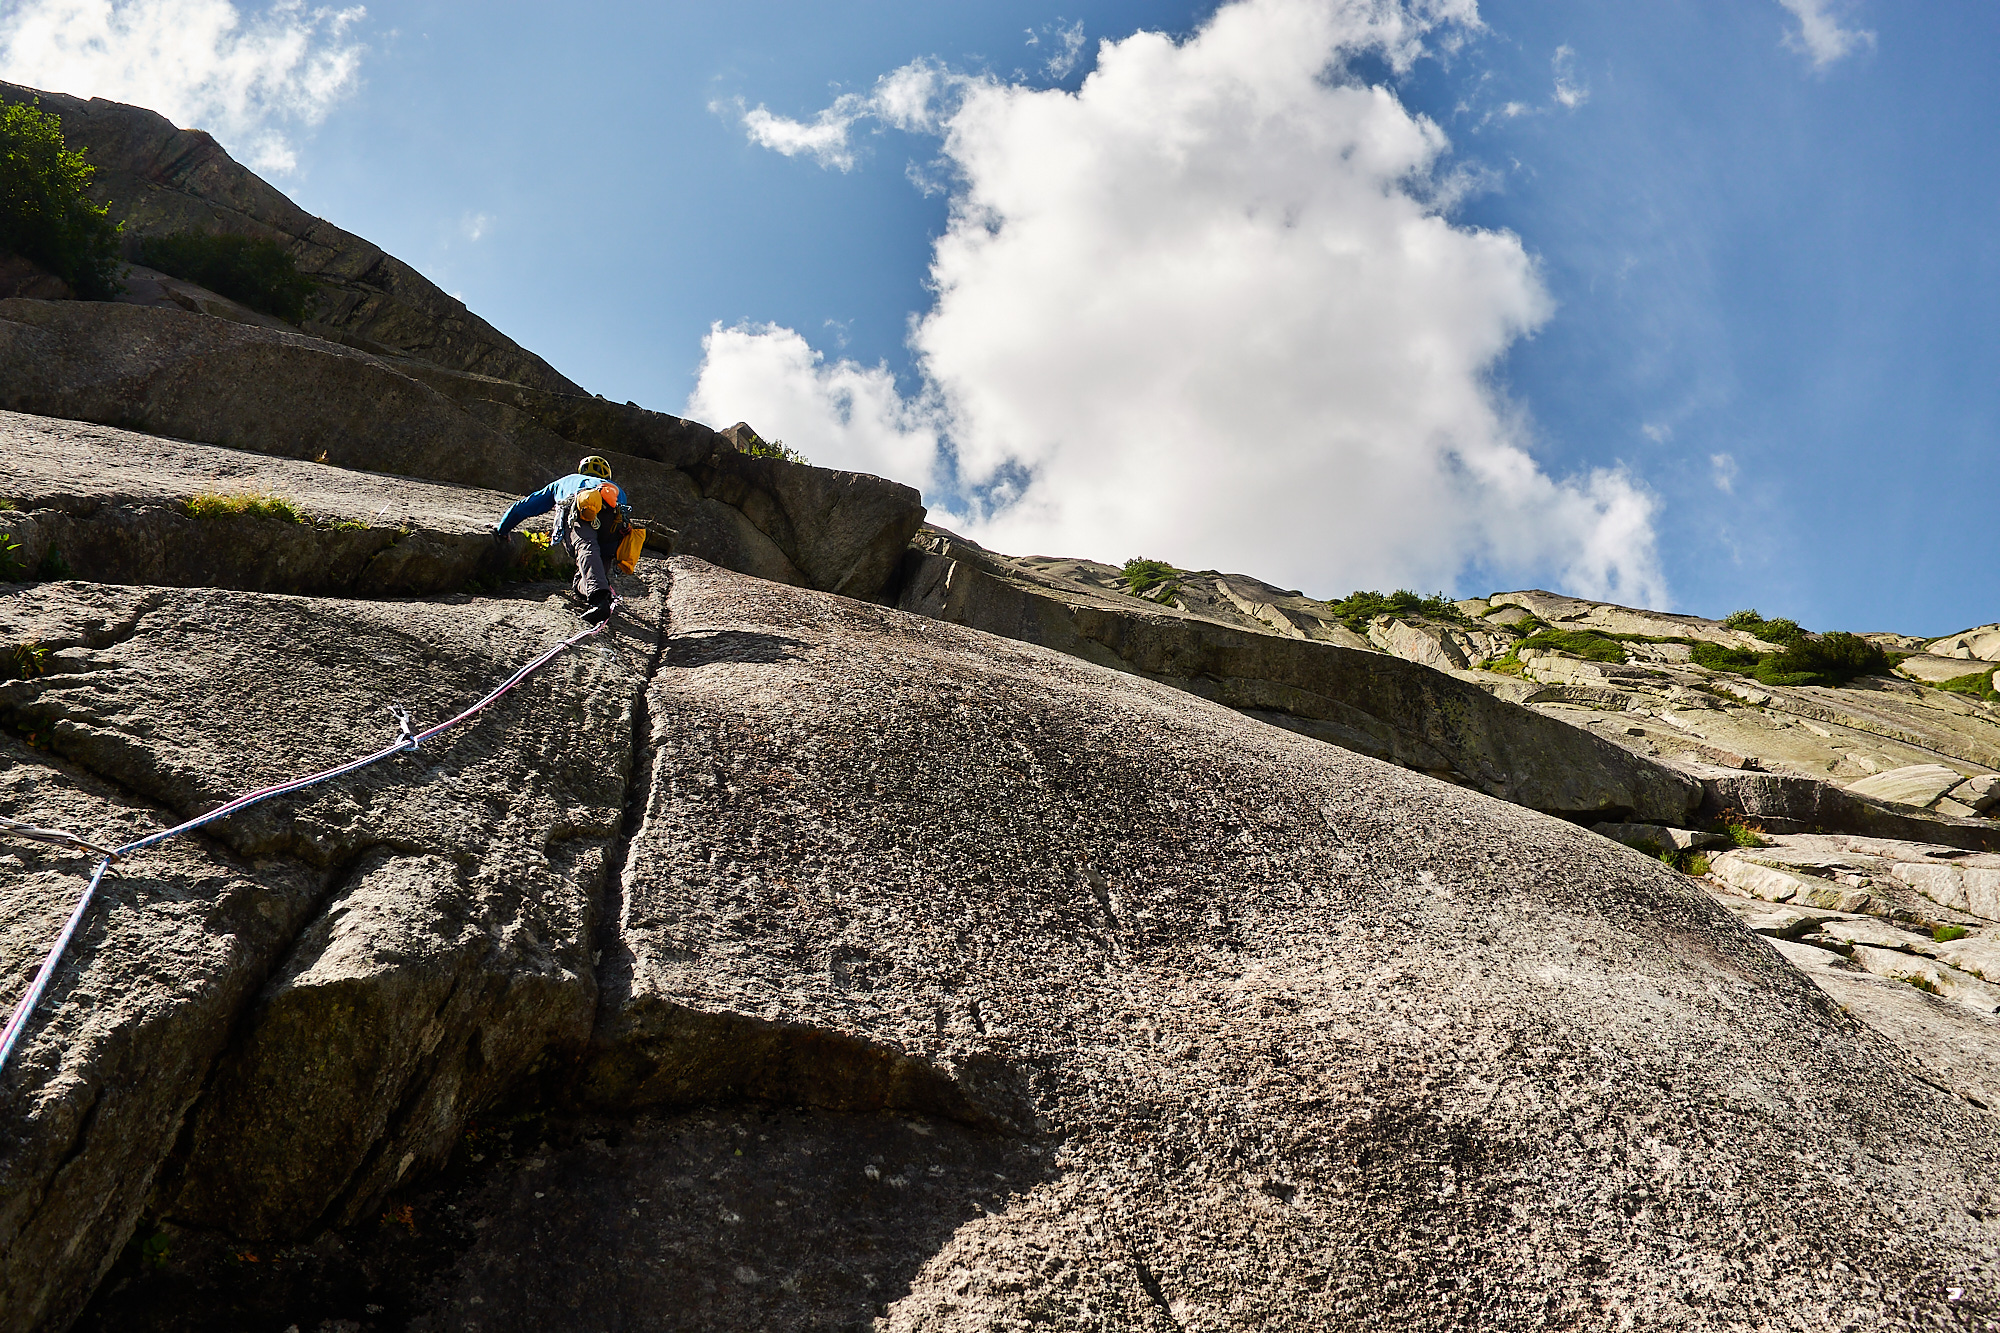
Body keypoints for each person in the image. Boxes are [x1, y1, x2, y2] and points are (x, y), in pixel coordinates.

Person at [493, 455, 632, 625]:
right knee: (585, 577)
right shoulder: (616, 489)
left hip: (582, 509)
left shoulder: (568, 480)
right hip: (614, 524)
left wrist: (503, 529)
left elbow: (525, 506)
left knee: (585, 545)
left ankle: (600, 599)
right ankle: (599, 589)